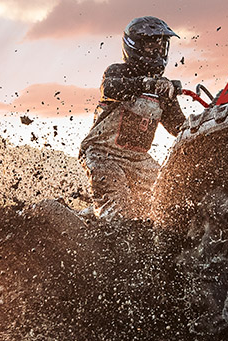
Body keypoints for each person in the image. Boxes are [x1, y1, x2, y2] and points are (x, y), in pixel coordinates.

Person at [79, 16, 185, 221]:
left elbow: (179, 127)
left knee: (168, 199)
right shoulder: (118, 72)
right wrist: (145, 84)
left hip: (139, 160)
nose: (157, 52)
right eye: (151, 46)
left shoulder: (163, 89)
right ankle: (103, 233)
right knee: (119, 214)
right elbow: (110, 88)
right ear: (134, 46)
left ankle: (89, 218)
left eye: (161, 46)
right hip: (103, 154)